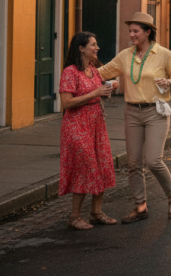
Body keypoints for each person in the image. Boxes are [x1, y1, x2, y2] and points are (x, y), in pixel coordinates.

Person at [97, 12, 171, 223]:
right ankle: (140, 206)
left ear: (147, 32)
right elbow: (103, 72)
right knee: (134, 162)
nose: (132, 34)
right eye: (130, 31)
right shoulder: (125, 55)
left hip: (156, 111)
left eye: (136, 31)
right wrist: (78, 71)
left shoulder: (163, 54)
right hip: (132, 111)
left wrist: (169, 82)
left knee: (153, 160)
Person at [59, 32, 118, 230]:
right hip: (77, 125)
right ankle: (74, 216)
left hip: (96, 125)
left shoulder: (95, 70)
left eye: (97, 44)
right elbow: (66, 102)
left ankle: (96, 212)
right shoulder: (70, 72)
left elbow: (98, 94)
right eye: (93, 44)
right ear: (81, 48)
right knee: (85, 167)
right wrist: (95, 93)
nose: (97, 48)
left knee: (101, 164)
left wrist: (107, 90)